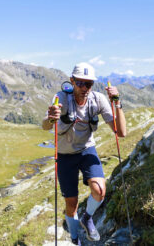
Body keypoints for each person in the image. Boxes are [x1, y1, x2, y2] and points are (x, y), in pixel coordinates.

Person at [42, 62, 126, 245]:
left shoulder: (98, 100)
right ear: (72, 81)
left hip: (87, 149)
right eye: (80, 83)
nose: (84, 88)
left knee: (100, 190)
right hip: (64, 154)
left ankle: (87, 218)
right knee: (71, 204)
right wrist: (50, 118)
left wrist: (117, 103)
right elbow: (45, 126)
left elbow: (121, 133)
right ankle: (74, 239)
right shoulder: (61, 98)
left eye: (88, 84)